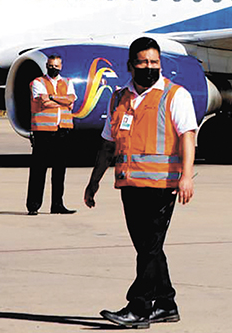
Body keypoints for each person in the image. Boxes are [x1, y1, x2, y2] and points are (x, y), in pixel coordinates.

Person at [84, 37, 197, 329]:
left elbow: (188, 136)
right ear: (130, 66)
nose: (149, 68)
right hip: (129, 183)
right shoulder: (119, 98)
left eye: (154, 63)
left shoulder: (175, 96)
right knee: (148, 248)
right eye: (143, 63)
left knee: (148, 247)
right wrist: (93, 181)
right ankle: (166, 304)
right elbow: (108, 143)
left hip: (162, 185)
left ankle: (139, 307)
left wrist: (186, 176)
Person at [26, 54, 77, 215]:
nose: (53, 68)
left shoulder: (68, 82)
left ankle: (57, 204)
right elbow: (44, 102)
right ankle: (33, 205)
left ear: (61, 66)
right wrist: (62, 101)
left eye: (56, 66)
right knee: (39, 169)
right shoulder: (37, 82)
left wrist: (53, 97)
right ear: (46, 66)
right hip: (43, 131)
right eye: (50, 65)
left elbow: (71, 100)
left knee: (59, 170)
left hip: (62, 129)